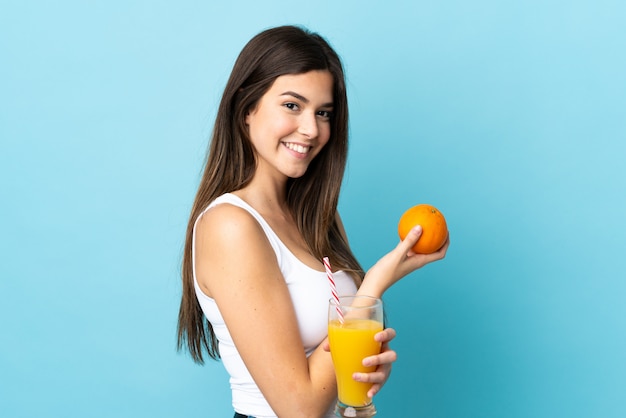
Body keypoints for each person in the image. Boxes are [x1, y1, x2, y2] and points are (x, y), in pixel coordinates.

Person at [177, 25, 449, 418]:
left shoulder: (318, 215)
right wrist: (373, 285)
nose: (312, 129)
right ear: (247, 107)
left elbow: (334, 373)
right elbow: (299, 408)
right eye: (292, 105)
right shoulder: (231, 226)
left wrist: (363, 370)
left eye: (323, 113)